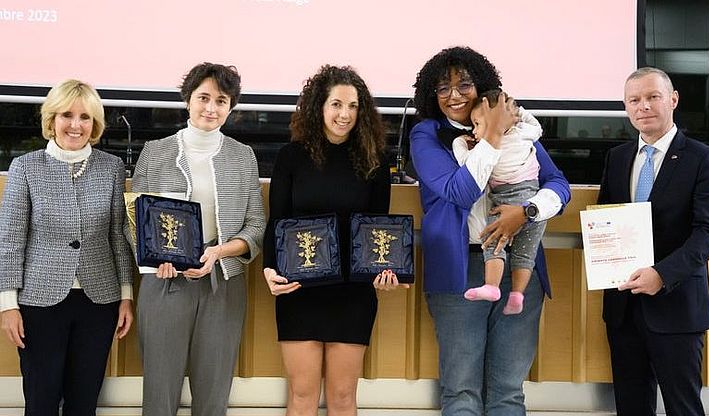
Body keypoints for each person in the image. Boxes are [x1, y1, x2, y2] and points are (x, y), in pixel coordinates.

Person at [409, 46, 571, 415]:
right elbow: (460, 191)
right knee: (461, 391)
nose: (454, 96)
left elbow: (559, 185)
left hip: (518, 268)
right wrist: (493, 134)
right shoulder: (427, 136)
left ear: (481, 86)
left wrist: (526, 212)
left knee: (508, 391)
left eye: (464, 85)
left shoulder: (517, 130)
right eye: (443, 88)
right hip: (460, 270)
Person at [262, 65, 405, 416]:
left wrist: (384, 272)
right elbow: (276, 221)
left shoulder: (374, 161)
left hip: (352, 294)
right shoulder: (291, 157)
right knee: (301, 396)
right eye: (337, 104)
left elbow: (377, 228)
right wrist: (269, 268)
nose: (345, 114)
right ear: (318, 107)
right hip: (299, 289)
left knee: (342, 398)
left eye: (353, 106)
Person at [132, 62, 265, 416]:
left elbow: (255, 225)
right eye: (203, 97)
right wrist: (154, 257)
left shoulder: (243, 155)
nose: (211, 107)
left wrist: (219, 252)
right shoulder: (155, 151)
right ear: (187, 100)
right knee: (159, 395)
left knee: (213, 396)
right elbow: (133, 220)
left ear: (230, 107)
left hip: (222, 282)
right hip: (163, 282)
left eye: (221, 100)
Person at [0, 79, 134, 415]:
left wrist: (127, 295)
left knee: (84, 402)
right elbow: (10, 241)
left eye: (85, 117)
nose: (76, 125)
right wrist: (8, 305)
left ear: (95, 123)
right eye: (67, 115)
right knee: (41, 401)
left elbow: (118, 235)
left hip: (99, 302)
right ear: (52, 119)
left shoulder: (112, 167)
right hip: (38, 303)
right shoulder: (25, 168)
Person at [598, 67, 709, 415]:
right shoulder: (617, 158)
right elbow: (605, 221)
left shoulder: (704, 159)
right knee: (631, 407)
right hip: (624, 307)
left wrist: (662, 275)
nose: (644, 106)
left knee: (683, 407)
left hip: (677, 305)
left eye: (653, 97)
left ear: (672, 100)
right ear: (626, 107)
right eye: (634, 100)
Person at [453, 90, 547, 315]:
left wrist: (460, 143)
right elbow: (537, 127)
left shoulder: (490, 149)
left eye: (477, 124)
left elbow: (468, 169)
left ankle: (491, 286)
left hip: (508, 199)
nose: (474, 131)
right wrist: (518, 113)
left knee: (492, 242)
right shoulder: (524, 133)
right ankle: (517, 295)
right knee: (526, 253)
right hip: (533, 196)